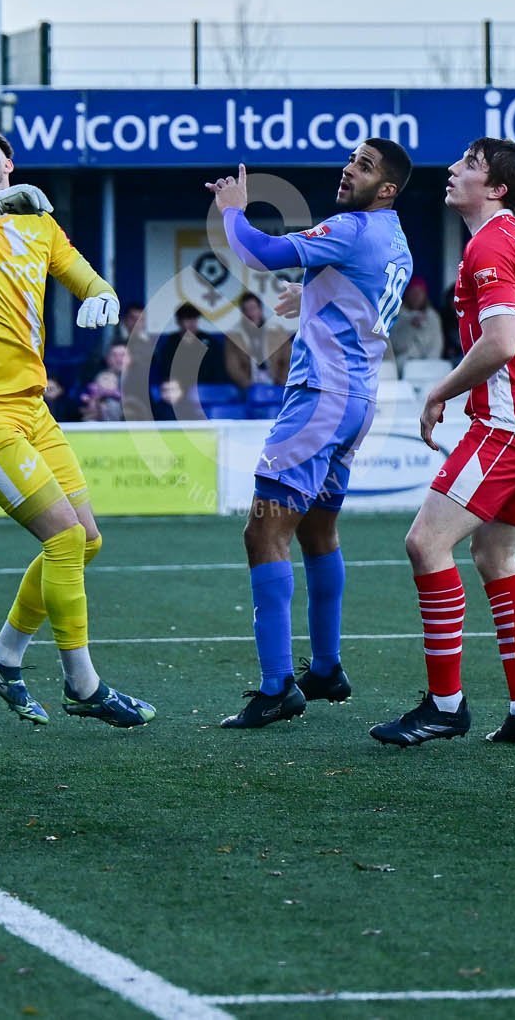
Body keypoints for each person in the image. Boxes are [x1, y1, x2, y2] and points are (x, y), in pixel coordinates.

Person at [0, 121, 155, 729]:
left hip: (32, 407)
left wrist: (104, 294)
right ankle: (83, 683)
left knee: (87, 539)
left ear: (8, 162)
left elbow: (84, 275)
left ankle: (4, 658)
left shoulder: (41, 227)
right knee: (65, 539)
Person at [371, 138, 515, 747]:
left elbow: (502, 344)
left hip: (510, 426)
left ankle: (445, 704)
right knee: (494, 557)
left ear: (496, 188)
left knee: (425, 543)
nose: (453, 169)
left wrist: (439, 391)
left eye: (469, 165)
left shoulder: (488, 244)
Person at [205, 140, 414, 728]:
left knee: (262, 533)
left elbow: (261, 252)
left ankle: (278, 688)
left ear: (388, 187)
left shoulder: (352, 226)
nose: (349, 169)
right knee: (318, 529)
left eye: (365, 166)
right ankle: (325, 668)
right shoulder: (396, 240)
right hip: (357, 401)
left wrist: (232, 208)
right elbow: (363, 297)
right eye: (351, 160)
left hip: (319, 400)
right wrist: (315, 292)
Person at [150, 302, 230, 388]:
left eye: (194, 318)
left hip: (207, 389)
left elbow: (218, 370)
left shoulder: (210, 341)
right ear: (178, 321)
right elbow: (166, 371)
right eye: (187, 319)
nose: (192, 323)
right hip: (179, 390)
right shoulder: (170, 342)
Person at [223, 292, 290, 391]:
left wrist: (282, 381)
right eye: (246, 310)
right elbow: (233, 367)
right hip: (249, 386)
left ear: (260, 310)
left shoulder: (277, 331)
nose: (250, 313)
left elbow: (289, 358)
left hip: (277, 383)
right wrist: (248, 386)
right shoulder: (234, 336)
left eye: (253, 308)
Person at [388, 278, 444, 367]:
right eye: (413, 292)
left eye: (420, 292)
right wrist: (409, 327)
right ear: (407, 294)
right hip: (403, 364)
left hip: (429, 365)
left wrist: (428, 364)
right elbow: (394, 345)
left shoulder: (433, 317)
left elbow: (437, 345)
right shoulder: (397, 315)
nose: (416, 296)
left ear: (425, 295)